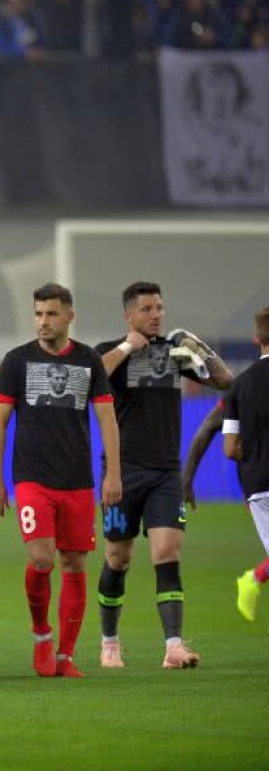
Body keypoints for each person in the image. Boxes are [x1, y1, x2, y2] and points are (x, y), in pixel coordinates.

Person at [94, 282, 233, 670]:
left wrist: (199, 348)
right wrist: (126, 348)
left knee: (167, 553)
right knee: (118, 557)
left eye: (160, 307)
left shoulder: (176, 352)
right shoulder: (110, 350)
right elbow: (92, 379)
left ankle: (173, 646)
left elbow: (225, 382)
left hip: (165, 473)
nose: (156, 314)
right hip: (122, 472)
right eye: (148, 309)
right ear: (129, 315)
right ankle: (109, 642)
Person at [0, 283, 122, 679]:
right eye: (38, 314)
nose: (42, 322)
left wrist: (113, 473)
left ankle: (65, 655)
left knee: (75, 563)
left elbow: (107, 419)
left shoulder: (89, 361)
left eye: (50, 314)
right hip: (32, 477)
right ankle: (42, 635)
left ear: (69, 317)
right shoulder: (17, 361)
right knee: (42, 558)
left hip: (77, 480)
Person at [225, 308, 269, 624]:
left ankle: (254, 578)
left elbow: (230, 448)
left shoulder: (240, 385)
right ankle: (254, 578)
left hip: (258, 485)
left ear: (256, 339)